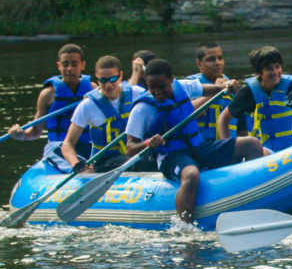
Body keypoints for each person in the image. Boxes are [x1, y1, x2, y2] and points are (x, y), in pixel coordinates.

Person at [126, 59, 263, 223]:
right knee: (191, 175)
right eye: (151, 87)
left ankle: (251, 200)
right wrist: (148, 142)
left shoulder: (182, 86)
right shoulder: (142, 109)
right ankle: (186, 228)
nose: (157, 92)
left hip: (199, 147)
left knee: (252, 144)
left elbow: (217, 89)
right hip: (171, 157)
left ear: (171, 80)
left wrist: (229, 86)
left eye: (162, 86)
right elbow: (130, 147)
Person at [7, 43, 93, 172]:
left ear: (83, 65)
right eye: (65, 64)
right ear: (59, 65)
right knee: (82, 167)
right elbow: (35, 132)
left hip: (87, 145)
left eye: (74, 64)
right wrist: (21, 134)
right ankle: (81, 171)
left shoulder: (92, 90)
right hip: (57, 146)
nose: (69, 68)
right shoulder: (48, 94)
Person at [61, 55, 153, 173]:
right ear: (97, 78)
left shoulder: (137, 93)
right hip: (105, 161)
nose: (108, 85)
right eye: (103, 80)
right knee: (137, 163)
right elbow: (67, 144)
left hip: (136, 153)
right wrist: (76, 163)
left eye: (112, 79)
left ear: (120, 76)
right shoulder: (87, 105)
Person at [187, 42, 243, 140]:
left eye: (220, 58)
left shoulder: (232, 86)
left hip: (227, 145)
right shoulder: (190, 85)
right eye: (211, 59)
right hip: (202, 147)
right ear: (199, 63)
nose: (217, 63)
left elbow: (242, 122)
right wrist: (217, 89)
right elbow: (187, 113)